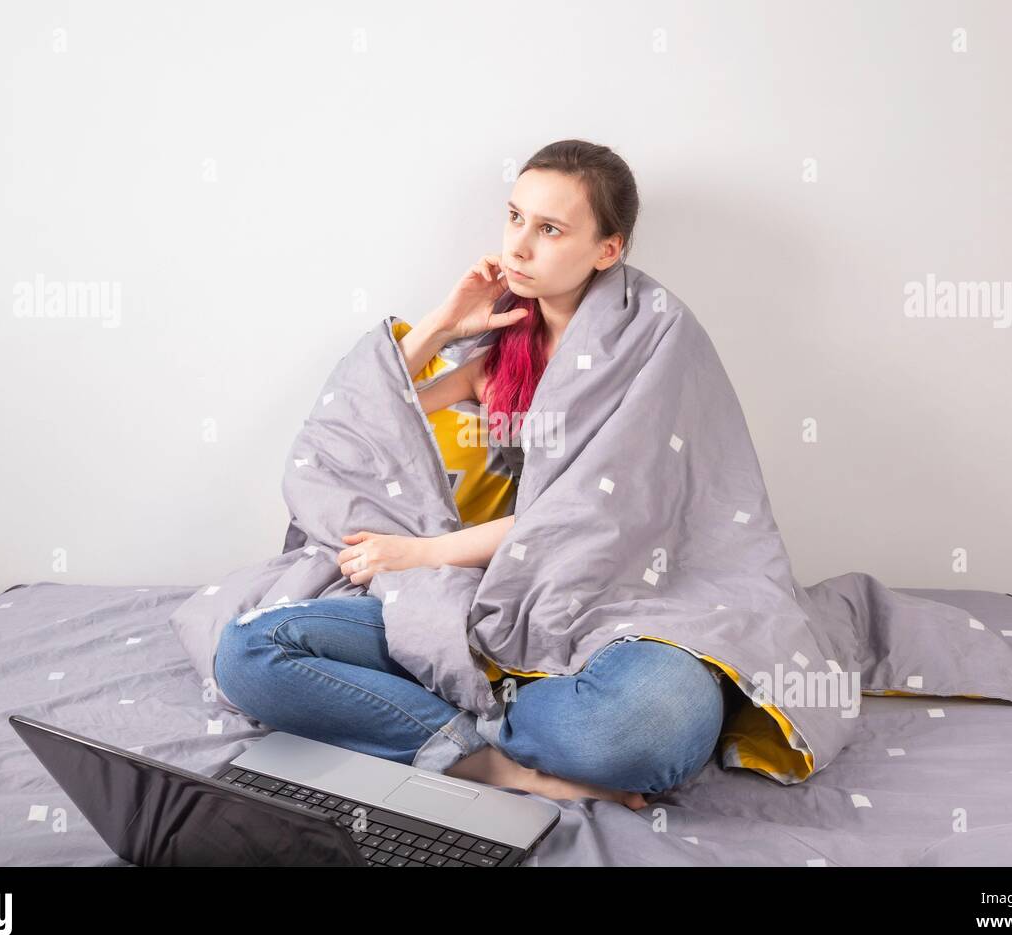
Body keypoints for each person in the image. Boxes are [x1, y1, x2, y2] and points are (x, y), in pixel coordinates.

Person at [215, 140, 730, 809]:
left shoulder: (656, 339)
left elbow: (588, 513)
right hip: (484, 609)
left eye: (549, 230)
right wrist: (443, 325)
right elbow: (362, 424)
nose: (518, 247)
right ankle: (499, 766)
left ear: (608, 249)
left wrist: (420, 554)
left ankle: (439, 705)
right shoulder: (501, 353)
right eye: (515, 218)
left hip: (620, 604)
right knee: (249, 653)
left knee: (647, 732)